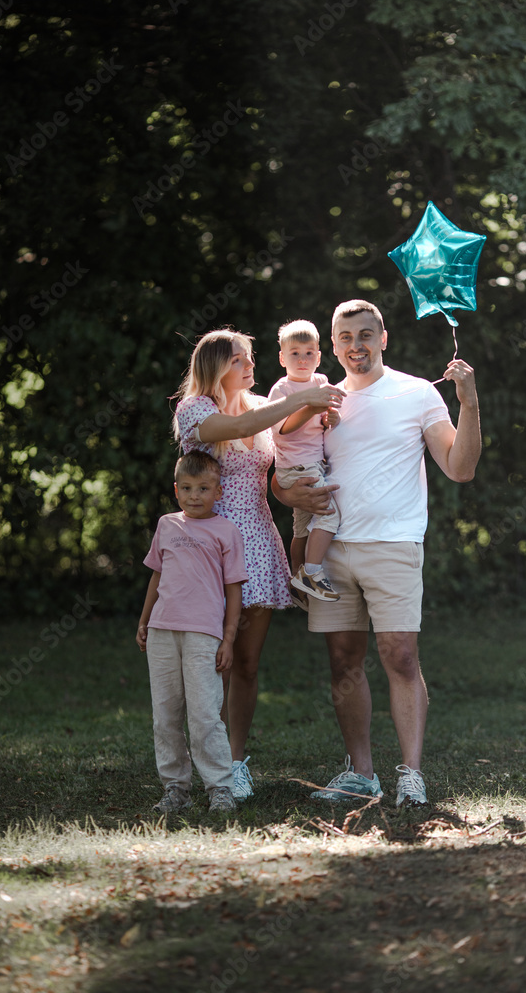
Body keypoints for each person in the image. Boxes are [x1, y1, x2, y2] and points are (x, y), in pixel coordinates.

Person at [271, 299, 481, 807]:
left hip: (395, 544)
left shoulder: (415, 393)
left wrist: (469, 403)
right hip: (332, 550)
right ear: (333, 345)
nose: (355, 346)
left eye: (365, 335)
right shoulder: (319, 397)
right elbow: (284, 470)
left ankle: (411, 773)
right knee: (343, 661)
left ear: (383, 339)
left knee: (401, 656)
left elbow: (460, 467)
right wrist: (287, 495)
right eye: (345, 338)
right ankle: (361, 773)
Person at [173, 328, 344, 799]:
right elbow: (239, 432)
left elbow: (269, 478)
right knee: (212, 663)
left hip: (260, 543)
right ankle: (201, 763)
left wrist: (292, 490)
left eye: (250, 358)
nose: (251, 366)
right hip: (211, 549)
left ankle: (234, 761)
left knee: (246, 663)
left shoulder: (258, 409)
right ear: (215, 366)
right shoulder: (196, 411)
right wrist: (301, 397)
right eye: (240, 360)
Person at [136, 450, 248, 814]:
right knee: (165, 715)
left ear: (219, 492)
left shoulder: (226, 531)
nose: (194, 495)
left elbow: (234, 589)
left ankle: (220, 788)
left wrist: (228, 638)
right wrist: (144, 620)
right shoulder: (167, 525)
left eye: (203, 488)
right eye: (186, 488)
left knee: (204, 715)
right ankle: (175, 788)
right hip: (162, 631)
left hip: (204, 636)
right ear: (176, 490)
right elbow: (156, 576)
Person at [267, 319, 342, 607]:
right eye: (294, 353)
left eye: (309, 353)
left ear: (319, 356)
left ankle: (297, 583)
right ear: (282, 357)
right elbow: (282, 428)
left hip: (313, 464)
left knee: (301, 528)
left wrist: (330, 418)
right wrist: (310, 405)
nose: (302, 359)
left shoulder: (321, 382)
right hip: (297, 467)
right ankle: (311, 573)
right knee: (329, 515)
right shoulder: (281, 390)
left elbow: (325, 420)